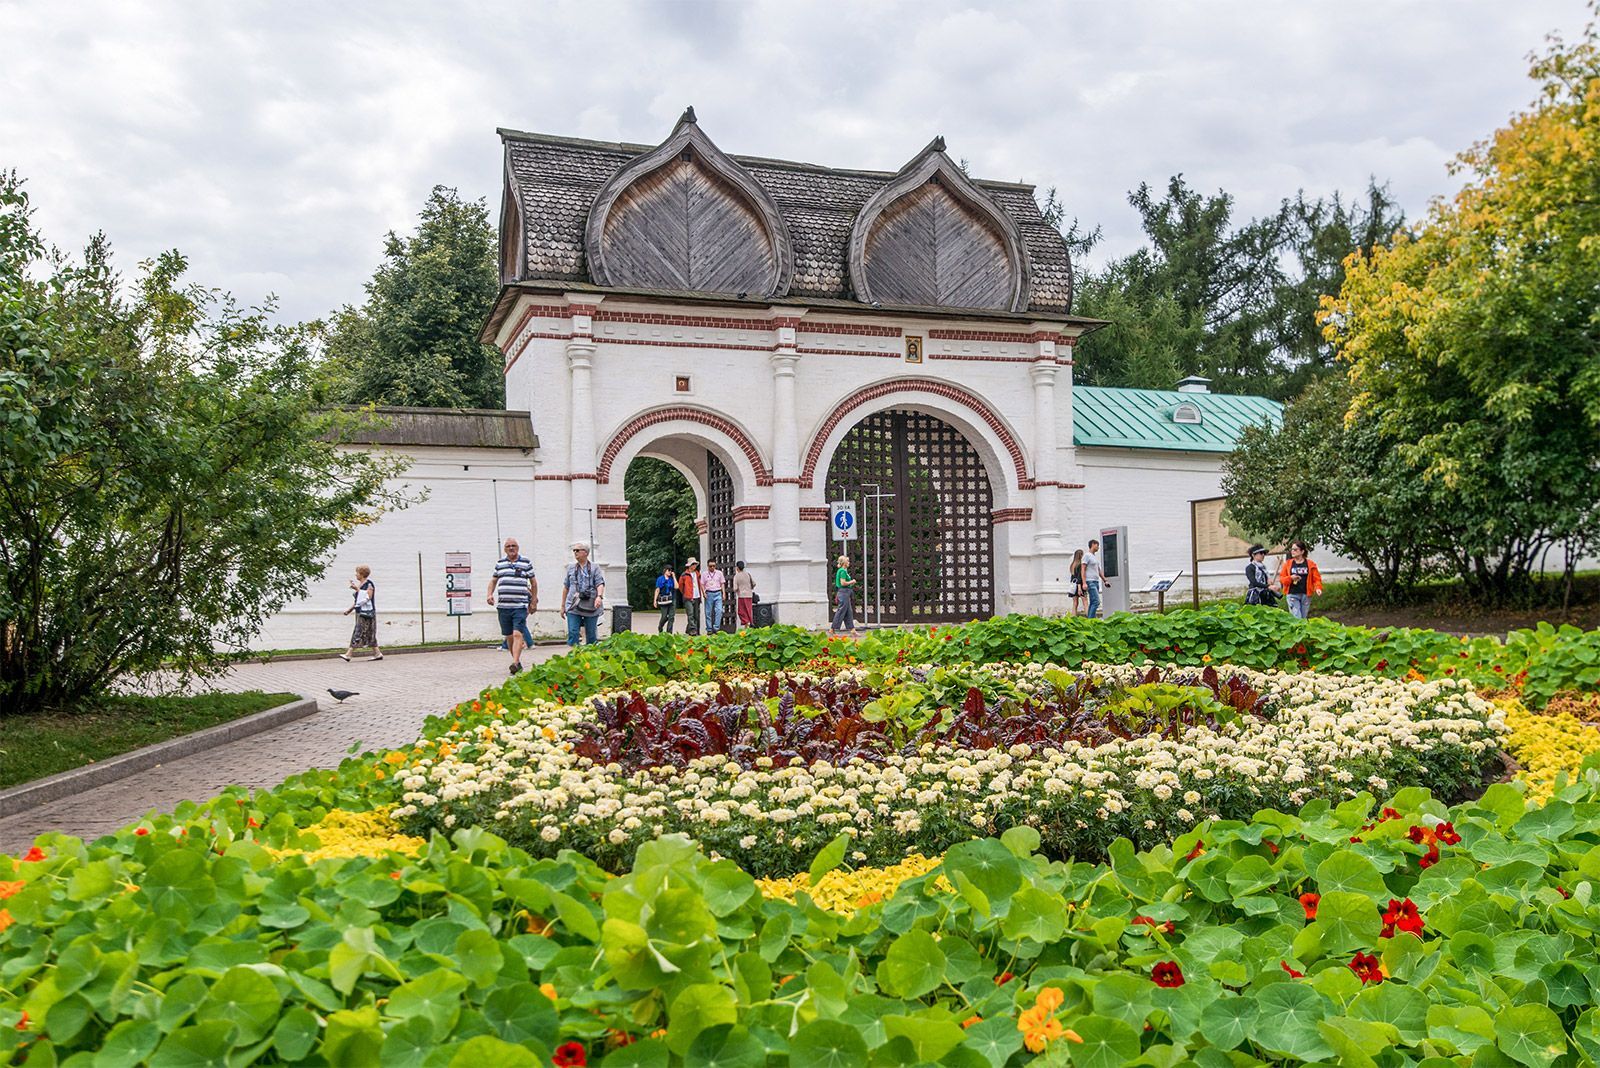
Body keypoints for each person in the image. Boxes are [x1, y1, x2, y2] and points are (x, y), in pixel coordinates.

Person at [487, 537, 537, 675]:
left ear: (518, 547)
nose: (511, 548)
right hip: (503, 606)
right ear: (504, 549)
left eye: (513, 545)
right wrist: (489, 594)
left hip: (519, 605)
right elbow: (493, 581)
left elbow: (533, 583)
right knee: (509, 636)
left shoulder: (525, 562)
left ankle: (514, 662)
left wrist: (533, 601)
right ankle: (517, 662)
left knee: (517, 634)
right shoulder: (500, 563)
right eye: (508, 546)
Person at [563, 541, 606, 646]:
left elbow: (600, 583)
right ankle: (574, 656)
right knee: (573, 632)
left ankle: (590, 657)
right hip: (573, 604)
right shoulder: (571, 568)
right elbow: (566, 587)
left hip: (591, 604)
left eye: (577, 550)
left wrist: (599, 597)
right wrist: (562, 606)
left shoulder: (595, 567)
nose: (575, 553)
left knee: (591, 635)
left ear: (585, 552)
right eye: (574, 550)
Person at [340, 565, 383, 662]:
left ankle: (349, 654)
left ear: (362, 574)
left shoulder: (369, 584)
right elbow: (357, 601)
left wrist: (356, 589)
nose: (356, 575)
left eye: (357, 573)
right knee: (370, 633)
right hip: (360, 612)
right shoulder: (360, 585)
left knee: (358, 631)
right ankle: (377, 653)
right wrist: (349, 610)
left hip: (367, 613)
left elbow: (368, 597)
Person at [1278, 540, 1323, 619]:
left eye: (1295, 550)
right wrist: (1291, 578)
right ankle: (1297, 630)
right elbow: (1282, 579)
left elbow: (1316, 579)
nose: (1293, 551)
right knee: (1297, 618)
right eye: (1292, 549)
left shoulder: (1310, 564)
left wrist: (1318, 588)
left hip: (1306, 594)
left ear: (1302, 551)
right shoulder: (1288, 564)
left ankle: (1301, 631)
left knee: (1303, 617)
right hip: (1292, 594)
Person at [831, 554, 858, 633]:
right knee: (842, 610)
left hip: (844, 592)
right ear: (844, 563)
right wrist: (852, 582)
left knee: (848, 611)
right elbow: (843, 583)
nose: (849, 562)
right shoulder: (842, 571)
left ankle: (852, 630)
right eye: (847, 561)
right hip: (844, 592)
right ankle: (833, 628)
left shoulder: (842, 570)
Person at [1084, 538, 1110, 619]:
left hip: (1096, 581)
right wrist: (1084, 582)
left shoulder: (1094, 557)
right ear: (1093, 545)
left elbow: (1098, 570)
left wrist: (1105, 580)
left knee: (1093, 602)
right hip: (1090, 581)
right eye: (1097, 545)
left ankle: (1092, 619)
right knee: (1096, 601)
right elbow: (1083, 569)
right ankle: (1090, 620)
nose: (1098, 547)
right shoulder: (1087, 555)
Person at [678, 558, 703, 636]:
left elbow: (700, 584)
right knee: (690, 614)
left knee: (696, 615)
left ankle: (692, 630)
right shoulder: (684, 575)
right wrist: (686, 593)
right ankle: (692, 630)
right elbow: (680, 586)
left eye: (695, 564)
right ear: (690, 565)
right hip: (688, 597)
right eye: (693, 564)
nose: (694, 566)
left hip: (697, 596)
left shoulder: (697, 574)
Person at [703, 559, 726, 633]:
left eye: (713, 566)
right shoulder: (704, 574)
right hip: (709, 593)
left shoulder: (719, 573)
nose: (712, 567)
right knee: (708, 612)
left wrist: (724, 593)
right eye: (710, 566)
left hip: (718, 592)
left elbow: (722, 583)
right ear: (708, 566)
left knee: (719, 610)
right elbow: (702, 584)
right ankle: (709, 629)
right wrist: (704, 593)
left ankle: (716, 628)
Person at [732, 560, 756, 628]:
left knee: (741, 611)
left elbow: (735, 588)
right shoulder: (748, 574)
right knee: (749, 610)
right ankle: (751, 622)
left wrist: (737, 591)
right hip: (749, 595)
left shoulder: (736, 576)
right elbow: (754, 583)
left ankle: (746, 623)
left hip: (742, 595)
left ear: (737, 568)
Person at [654, 564, 677, 633]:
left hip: (671, 599)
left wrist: (674, 577)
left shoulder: (671, 579)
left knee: (671, 617)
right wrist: (655, 600)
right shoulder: (660, 579)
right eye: (669, 570)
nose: (670, 572)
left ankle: (669, 632)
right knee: (664, 616)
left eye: (671, 570)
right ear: (665, 570)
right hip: (663, 600)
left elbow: (676, 587)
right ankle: (660, 626)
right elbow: (657, 589)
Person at [1068, 548, 1087, 616]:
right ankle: (1089, 617)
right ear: (1081, 555)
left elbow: (1073, 577)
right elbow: (1079, 577)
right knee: (1085, 601)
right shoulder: (1080, 565)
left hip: (1073, 586)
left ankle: (1073, 618)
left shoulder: (1072, 565)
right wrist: (1079, 588)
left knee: (1075, 603)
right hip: (1080, 585)